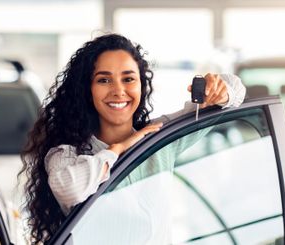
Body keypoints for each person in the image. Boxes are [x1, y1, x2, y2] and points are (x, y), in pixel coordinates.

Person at [20, 33, 246, 243]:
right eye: (104, 80)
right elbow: (71, 189)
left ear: (141, 85)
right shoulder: (67, 154)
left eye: (128, 79)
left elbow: (236, 90)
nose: (118, 91)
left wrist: (221, 89)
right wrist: (118, 149)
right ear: (86, 90)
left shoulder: (159, 138)